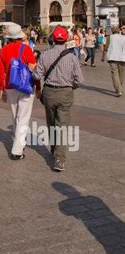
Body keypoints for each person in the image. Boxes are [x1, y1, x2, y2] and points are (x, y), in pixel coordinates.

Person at [33, 26, 84, 171]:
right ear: (66, 40)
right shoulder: (72, 57)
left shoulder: (44, 55)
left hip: (49, 92)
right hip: (66, 93)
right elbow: (80, 80)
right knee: (62, 125)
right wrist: (70, 86)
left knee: (51, 122)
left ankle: (54, 149)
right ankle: (60, 160)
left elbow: (37, 75)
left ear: (53, 39)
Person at [0, 23, 38, 161]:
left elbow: (0, 72)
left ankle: (19, 142)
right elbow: (34, 70)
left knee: (15, 116)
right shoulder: (26, 49)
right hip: (26, 86)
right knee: (23, 117)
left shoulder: (3, 50)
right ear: (20, 36)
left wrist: (1, 89)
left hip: (10, 86)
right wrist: (37, 86)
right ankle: (17, 150)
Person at [106, 25, 125, 96]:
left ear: (112, 31)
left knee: (115, 74)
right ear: (119, 30)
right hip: (122, 58)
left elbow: (106, 48)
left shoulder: (109, 37)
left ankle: (119, 89)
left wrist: (103, 56)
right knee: (121, 74)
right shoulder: (123, 38)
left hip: (112, 57)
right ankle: (119, 88)